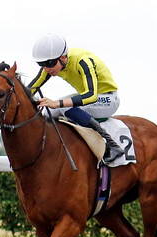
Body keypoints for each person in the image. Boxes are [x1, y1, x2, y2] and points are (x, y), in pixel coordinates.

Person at [27, 33, 125, 164]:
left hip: (107, 99)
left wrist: (57, 103)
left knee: (63, 106)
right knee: (51, 113)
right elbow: (31, 89)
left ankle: (111, 144)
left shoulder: (83, 61)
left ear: (62, 57)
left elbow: (91, 95)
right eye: (41, 64)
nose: (46, 68)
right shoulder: (53, 64)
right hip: (90, 98)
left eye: (49, 63)